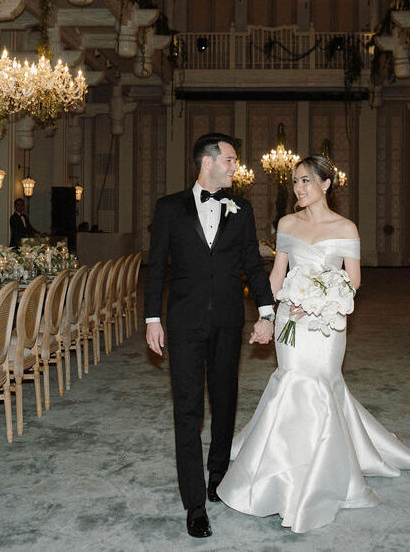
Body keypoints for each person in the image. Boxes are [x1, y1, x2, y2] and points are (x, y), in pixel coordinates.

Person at [217, 155, 410, 533]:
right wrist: (266, 315)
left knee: (321, 386)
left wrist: (320, 304)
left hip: (327, 324)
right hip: (290, 322)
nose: (298, 188)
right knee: (290, 380)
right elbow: (277, 276)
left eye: (307, 181)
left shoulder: (346, 228)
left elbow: (353, 281)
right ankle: (281, 469)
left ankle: (320, 475)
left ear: (327, 184)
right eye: (295, 182)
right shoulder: (287, 224)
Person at [144, 133, 275, 539]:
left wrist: (267, 311)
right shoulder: (169, 208)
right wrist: (152, 318)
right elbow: (155, 268)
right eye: (231, 160)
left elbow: (253, 263)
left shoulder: (243, 209)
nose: (237, 167)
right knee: (187, 410)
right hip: (183, 322)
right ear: (208, 163)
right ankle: (195, 503)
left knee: (224, 400)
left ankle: (218, 476)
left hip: (228, 321)